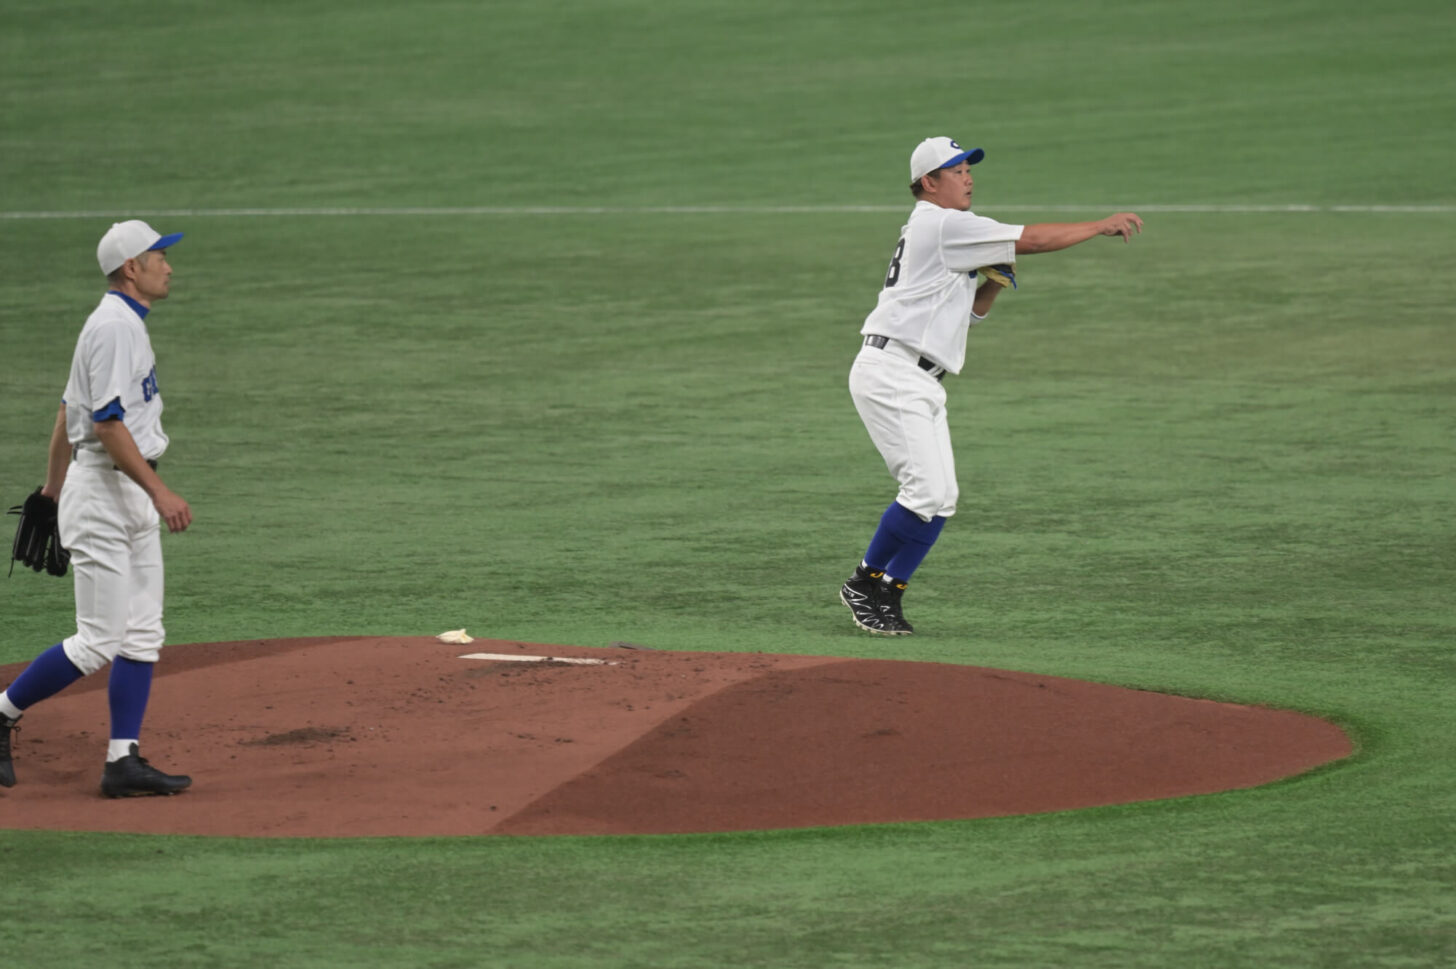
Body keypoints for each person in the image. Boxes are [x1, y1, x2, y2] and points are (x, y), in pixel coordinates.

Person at [840, 137, 1143, 635]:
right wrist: (1098, 226)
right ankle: (862, 582)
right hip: (891, 371)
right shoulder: (943, 225)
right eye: (955, 170)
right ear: (928, 184)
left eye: (967, 168)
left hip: (920, 377)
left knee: (943, 498)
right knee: (924, 492)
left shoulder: (951, 234)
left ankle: (889, 594)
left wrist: (993, 286)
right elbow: (1035, 240)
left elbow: (971, 317)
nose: (968, 177)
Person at [0, 220, 194, 796]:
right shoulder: (113, 328)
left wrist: (50, 490)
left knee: (141, 635)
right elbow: (104, 422)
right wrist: (159, 494)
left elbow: (67, 413)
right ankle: (3, 712)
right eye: (158, 255)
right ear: (131, 268)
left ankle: (122, 760)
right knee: (98, 639)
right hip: (110, 492)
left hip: (119, 490)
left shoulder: (122, 324)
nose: (168, 264)